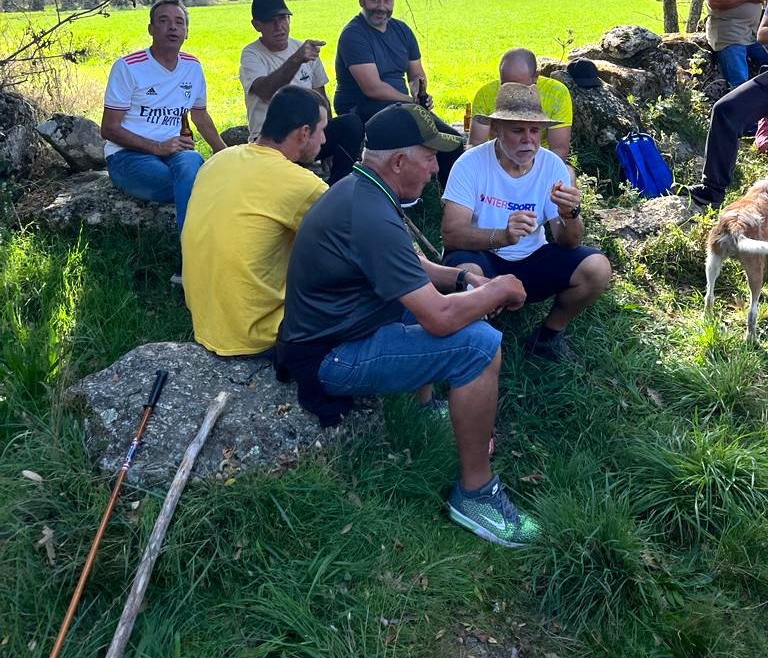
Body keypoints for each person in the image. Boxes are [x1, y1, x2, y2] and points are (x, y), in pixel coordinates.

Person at [277, 103, 540, 548]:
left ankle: (427, 408)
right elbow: (438, 320)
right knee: (478, 344)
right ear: (399, 162)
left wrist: (460, 278)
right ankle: (475, 493)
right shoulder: (371, 213)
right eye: (429, 156)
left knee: (444, 301)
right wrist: (498, 290)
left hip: (337, 329)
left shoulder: (362, 189)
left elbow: (407, 264)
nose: (437, 168)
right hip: (331, 356)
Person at [441, 83, 611, 363]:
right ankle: (473, 343)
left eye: (535, 131)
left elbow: (568, 242)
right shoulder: (470, 163)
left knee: (596, 267)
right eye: (517, 130)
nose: (528, 140)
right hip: (484, 257)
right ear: (496, 129)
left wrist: (570, 214)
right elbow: (451, 234)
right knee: (465, 270)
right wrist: (501, 236)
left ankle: (548, 336)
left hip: (532, 259)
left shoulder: (552, 166)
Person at [182, 85, 328, 360]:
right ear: (304, 132)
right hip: (259, 338)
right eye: (322, 129)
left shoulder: (218, 161)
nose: (324, 139)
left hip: (205, 326)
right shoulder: (302, 185)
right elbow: (358, 244)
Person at [101, 0, 226, 233]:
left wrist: (227, 154)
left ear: (186, 32)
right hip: (128, 156)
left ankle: (192, 257)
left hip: (177, 152)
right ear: (151, 29)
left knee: (191, 164)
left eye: (179, 22)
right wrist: (157, 147)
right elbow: (108, 129)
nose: (173, 27)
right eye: (164, 21)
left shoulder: (192, 66)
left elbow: (200, 117)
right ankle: (192, 258)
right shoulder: (128, 66)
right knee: (194, 185)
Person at [334, 0, 462, 186]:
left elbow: (416, 73)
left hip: (401, 106)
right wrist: (410, 102)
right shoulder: (353, 35)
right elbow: (372, 88)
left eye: (387, 0)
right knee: (415, 141)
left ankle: (446, 201)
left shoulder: (401, 30)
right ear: (361, 0)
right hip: (362, 109)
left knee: (453, 142)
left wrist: (419, 93)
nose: (382, 7)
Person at [239, 0, 363, 184]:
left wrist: (325, 135)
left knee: (352, 124)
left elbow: (321, 97)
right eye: (271, 21)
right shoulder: (252, 54)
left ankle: (337, 186)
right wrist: (296, 60)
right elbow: (265, 91)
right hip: (273, 142)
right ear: (256, 25)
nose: (279, 27)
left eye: (283, 18)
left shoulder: (304, 49)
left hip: (309, 137)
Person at [469, 48, 572, 160]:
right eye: (505, 86)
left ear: (536, 77)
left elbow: (559, 148)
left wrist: (535, 172)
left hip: (540, 161)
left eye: (520, 87)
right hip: (498, 160)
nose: (512, 92)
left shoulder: (556, 93)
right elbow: (476, 145)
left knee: (569, 173)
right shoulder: (485, 94)